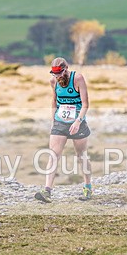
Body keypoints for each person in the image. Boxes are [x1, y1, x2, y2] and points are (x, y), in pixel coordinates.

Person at [34, 57, 93, 202]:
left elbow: (85, 104)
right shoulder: (53, 81)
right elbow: (54, 100)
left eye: (59, 73)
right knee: (53, 155)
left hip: (78, 122)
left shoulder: (78, 78)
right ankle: (47, 191)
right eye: (54, 74)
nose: (57, 76)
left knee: (81, 156)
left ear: (66, 68)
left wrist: (78, 121)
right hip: (60, 122)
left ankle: (87, 187)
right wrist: (53, 120)